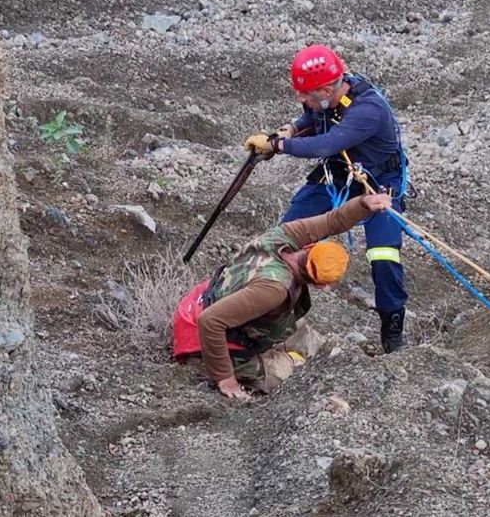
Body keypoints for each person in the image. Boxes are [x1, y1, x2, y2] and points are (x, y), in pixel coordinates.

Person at [244, 44, 409, 354]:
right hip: (337, 174)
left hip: (377, 184)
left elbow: (327, 143)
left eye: (305, 93)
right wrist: (291, 129)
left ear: (324, 89)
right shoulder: (325, 99)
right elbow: (311, 117)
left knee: (383, 254)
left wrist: (279, 145)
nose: (300, 98)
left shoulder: (368, 109)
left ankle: (392, 330)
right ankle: (271, 317)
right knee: (284, 236)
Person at [172, 193, 393, 400]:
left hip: (225, 301)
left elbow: (332, 221)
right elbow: (210, 321)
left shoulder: (284, 237)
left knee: (312, 342)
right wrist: (226, 380)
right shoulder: (273, 290)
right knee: (289, 375)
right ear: (319, 284)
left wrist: (363, 204)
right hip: (206, 335)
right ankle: (244, 367)